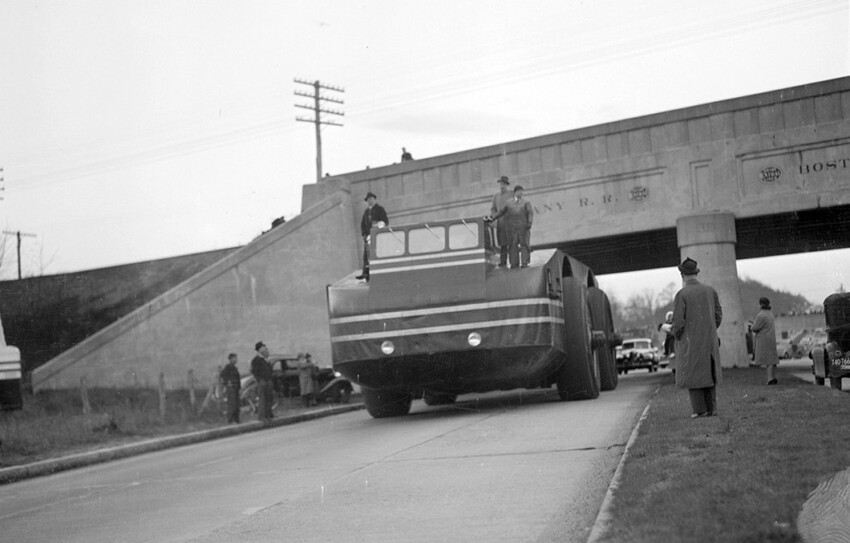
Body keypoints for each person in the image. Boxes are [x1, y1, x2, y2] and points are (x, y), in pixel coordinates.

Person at [671, 257, 723, 418]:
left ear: (682, 274)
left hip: (690, 341)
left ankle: (699, 410)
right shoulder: (710, 291)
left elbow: (678, 323)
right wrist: (709, 328)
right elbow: (718, 315)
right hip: (709, 339)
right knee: (709, 373)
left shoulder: (682, 294)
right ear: (696, 273)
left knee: (693, 375)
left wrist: (677, 335)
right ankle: (712, 409)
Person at [490, 184, 533, 268]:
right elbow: (501, 211)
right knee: (513, 246)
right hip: (512, 229)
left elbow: (530, 213)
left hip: (523, 228)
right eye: (519, 191)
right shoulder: (509, 203)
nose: (521, 193)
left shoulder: (526, 203)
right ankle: (514, 263)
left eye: (522, 192)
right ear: (515, 192)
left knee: (524, 245)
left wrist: (529, 223)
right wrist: (494, 217)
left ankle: (524, 263)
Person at [356, 192, 389, 281]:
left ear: (375, 199)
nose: (369, 201)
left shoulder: (380, 209)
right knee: (366, 256)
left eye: (371, 199)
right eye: (368, 200)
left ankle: (379, 274)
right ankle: (366, 273)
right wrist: (364, 234)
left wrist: (378, 226)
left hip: (378, 237)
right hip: (368, 237)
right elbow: (362, 224)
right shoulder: (366, 212)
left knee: (377, 255)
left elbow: (385, 221)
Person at [751, 297, 779, 385]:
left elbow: (755, 328)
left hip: (764, 339)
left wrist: (751, 326)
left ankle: (770, 379)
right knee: (772, 360)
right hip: (771, 338)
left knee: (768, 360)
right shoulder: (770, 314)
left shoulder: (760, 315)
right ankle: (773, 377)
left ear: (760, 304)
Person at [489, 176, 513, 268]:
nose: (501, 185)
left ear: (507, 185)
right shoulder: (496, 196)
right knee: (503, 244)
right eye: (500, 183)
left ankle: (513, 261)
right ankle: (503, 262)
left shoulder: (511, 194)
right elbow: (493, 209)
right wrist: (494, 218)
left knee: (512, 243)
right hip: (501, 223)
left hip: (510, 223)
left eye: (503, 184)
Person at [250, 341, 274, 422]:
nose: (265, 349)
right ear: (259, 350)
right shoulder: (256, 360)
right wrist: (259, 380)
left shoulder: (265, 359)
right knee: (263, 399)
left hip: (268, 380)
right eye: (263, 348)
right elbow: (254, 371)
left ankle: (268, 415)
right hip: (262, 381)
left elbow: (270, 370)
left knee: (269, 398)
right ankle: (262, 417)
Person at [220, 353, 241, 423]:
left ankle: (236, 420)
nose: (236, 359)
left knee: (237, 404)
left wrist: (239, 387)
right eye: (234, 358)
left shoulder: (234, 367)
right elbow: (222, 375)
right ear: (231, 359)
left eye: (236, 358)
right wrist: (228, 383)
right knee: (232, 404)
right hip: (231, 388)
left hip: (236, 388)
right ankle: (231, 420)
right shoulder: (228, 367)